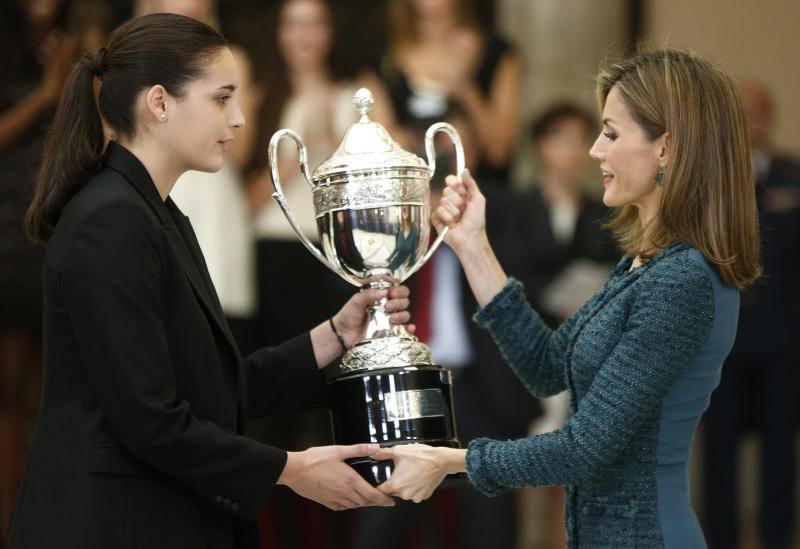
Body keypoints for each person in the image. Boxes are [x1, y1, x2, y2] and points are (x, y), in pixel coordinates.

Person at [6, 13, 414, 549]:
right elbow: (151, 421)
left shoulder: (157, 214)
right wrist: (289, 468)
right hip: (109, 524)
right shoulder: (110, 220)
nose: (241, 118)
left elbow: (208, 391)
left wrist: (334, 336)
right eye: (222, 98)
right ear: (159, 103)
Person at [373, 49, 762, 548]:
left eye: (611, 134)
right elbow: (546, 366)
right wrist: (473, 245)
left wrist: (452, 460)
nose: (594, 151)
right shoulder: (645, 264)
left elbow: (587, 447)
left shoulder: (680, 280)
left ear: (665, 149)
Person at [702, 81, 800, 549]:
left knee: (780, 452)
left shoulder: (792, 175)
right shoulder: (707, 179)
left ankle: (776, 538)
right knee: (718, 454)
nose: (750, 123)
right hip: (722, 342)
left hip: (783, 342)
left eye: (758, 113)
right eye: (741, 113)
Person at [374, 0, 522, 185]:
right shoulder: (383, 65)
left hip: (483, 197)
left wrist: (466, 87)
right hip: (414, 202)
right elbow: (379, 157)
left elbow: (499, 151)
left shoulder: (495, 54)